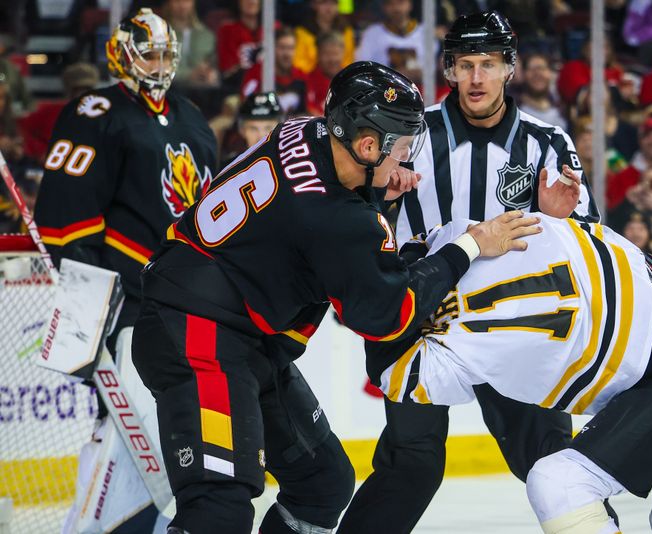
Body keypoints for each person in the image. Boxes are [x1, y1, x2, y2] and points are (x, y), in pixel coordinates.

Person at [131, 61, 540, 534]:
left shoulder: (303, 130)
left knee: (322, 481)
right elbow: (390, 314)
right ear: (367, 146)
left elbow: (309, 217)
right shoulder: (337, 218)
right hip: (197, 334)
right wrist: (467, 247)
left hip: (236, 333)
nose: (403, 163)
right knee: (218, 507)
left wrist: (378, 197)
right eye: (401, 149)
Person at [339, 11, 607, 534]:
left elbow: (588, 244)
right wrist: (382, 202)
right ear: (450, 70)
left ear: (511, 68)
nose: (477, 78)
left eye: (488, 64)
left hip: (517, 321)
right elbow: (352, 212)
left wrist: (560, 221)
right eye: (465, 65)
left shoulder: (548, 143)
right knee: (411, 465)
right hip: (423, 316)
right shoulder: (407, 131)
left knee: (549, 461)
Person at [370, 215, 652, 534]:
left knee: (560, 486)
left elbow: (389, 362)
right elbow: (391, 371)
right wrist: (457, 253)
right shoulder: (460, 246)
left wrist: (379, 305)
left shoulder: (456, 240)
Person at [34, 12, 217, 529]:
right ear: (122, 55)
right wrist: (92, 301)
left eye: (164, 54)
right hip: (127, 303)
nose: (158, 65)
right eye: (148, 53)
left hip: (185, 301)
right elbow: (67, 216)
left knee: (140, 433)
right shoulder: (95, 112)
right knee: (133, 431)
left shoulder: (192, 118)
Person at [18, 62, 99, 164]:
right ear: (69, 91)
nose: (83, 95)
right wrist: (40, 150)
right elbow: (21, 129)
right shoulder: (50, 112)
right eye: (78, 90)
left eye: (87, 89)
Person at [355, 0, 428, 84]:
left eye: (400, 2)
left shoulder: (425, 32)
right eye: (390, 4)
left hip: (421, 90)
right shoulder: (372, 33)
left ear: (410, 4)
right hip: (383, 90)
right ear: (384, 7)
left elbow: (435, 71)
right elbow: (363, 68)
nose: (396, 8)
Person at [220, 90, 284, 166]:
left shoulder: (292, 164)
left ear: (281, 130)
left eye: (268, 128)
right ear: (242, 130)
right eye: (253, 129)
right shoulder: (229, 167)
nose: (261, 136)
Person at [293, 0, 355, 74]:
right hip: (309, 79)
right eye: (324, 2)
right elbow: (298, 63)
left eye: (334, 3)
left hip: (340, 77)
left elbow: (349, 60)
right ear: (314, 4)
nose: (329, 8)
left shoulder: (346, 30)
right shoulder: (302, 32)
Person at [517, 53, 567, 131]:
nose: (537, 74)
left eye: (542, 68)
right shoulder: (512, 109)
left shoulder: (563, 108)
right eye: (532, 69)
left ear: (550, 73)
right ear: (523, 74)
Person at [305, 31, 346, 116]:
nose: (332, 60)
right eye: (327, 54)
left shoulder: (350, 80)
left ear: (343, 54)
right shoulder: (308, 81)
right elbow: (310, 111)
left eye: (335, 54)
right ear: (318, 55)